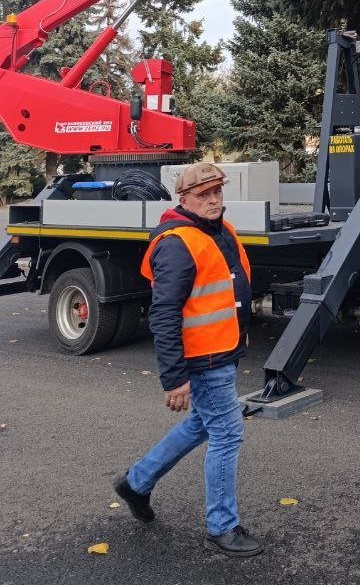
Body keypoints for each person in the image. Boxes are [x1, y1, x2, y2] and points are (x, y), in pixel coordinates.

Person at [113, 162, 263, 557]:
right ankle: (221, 526)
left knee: (202, 424)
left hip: (222, 350)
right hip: (203, 358)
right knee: (227, 433)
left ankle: (136, 482)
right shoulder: (178, 243)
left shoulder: (218, 231)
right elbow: (163, 314)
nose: (213, 200)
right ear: (184, 200)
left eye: (217, 192)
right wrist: (174, 377)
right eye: (203, 195)